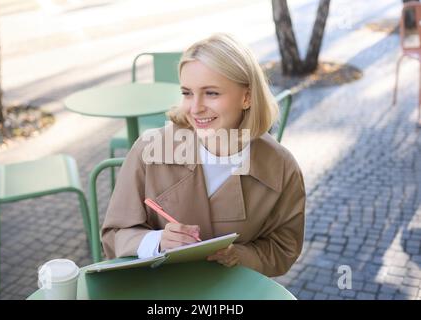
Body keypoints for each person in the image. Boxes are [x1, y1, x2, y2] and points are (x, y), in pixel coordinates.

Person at [101, 33, 306, 277]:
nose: (195, 108)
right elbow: (114, 236)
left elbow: (284, 247)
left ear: (247, 97)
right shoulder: (149, 149)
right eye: (187, 93)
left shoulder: (281, 167)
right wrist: (156, 241)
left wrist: (240, 255)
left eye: (211, 93)